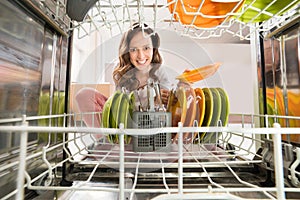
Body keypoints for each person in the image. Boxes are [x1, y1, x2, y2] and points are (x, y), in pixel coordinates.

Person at [75, 23, 171, 130]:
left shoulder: (159, 71)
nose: (141, 55)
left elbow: (166, 106)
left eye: (146, 48)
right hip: (124, 125)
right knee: (84, 94)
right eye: (134, 49)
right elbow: (120, 108)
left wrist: (162, 98)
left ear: (154, 48)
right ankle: (105, 140)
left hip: (151, 125)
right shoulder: (121, 73)